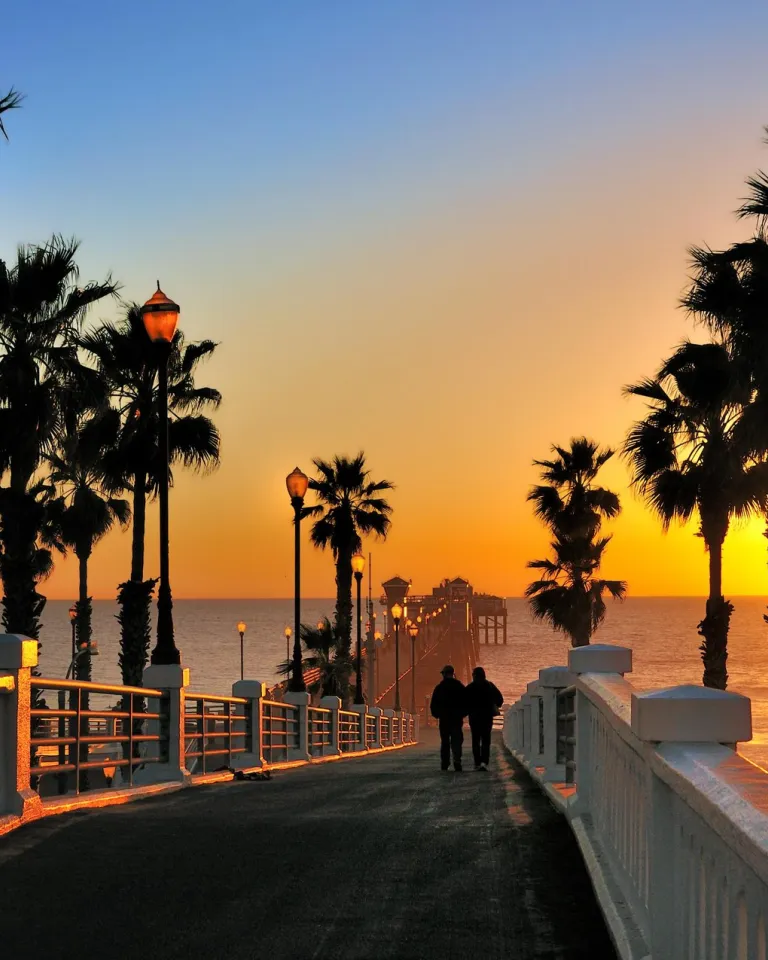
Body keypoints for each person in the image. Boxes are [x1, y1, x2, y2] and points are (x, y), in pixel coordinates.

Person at [464, 666, 503, 771]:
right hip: (487, 717)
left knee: (475, 740)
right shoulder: (489, 686)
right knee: (486, 740)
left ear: (475, 676)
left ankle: (477, 763)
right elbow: (500, 699)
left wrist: (467, 711)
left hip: (474, 718)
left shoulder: (470, 687)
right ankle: (484, 762)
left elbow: (463, 701)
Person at [430, 664, 467, 772]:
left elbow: (433, 705)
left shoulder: (439, 688)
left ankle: (445, 763)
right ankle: (457, 760)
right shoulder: (459, 686)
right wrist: (462, 714)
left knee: (445, 742)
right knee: (456, 740)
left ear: (444, 674)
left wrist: (437, 715)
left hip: (444, 719)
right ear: (452, 674)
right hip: (456, 719)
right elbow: (466, 702)